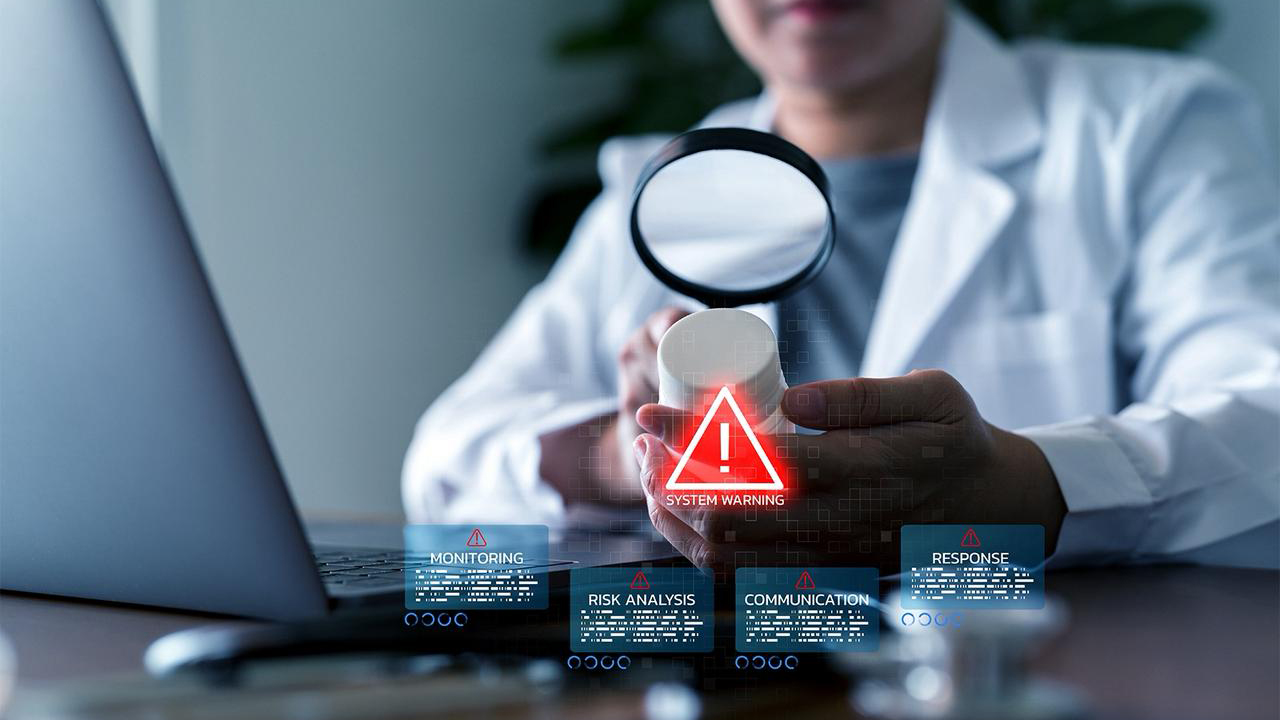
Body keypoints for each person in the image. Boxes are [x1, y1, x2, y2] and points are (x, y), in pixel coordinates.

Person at [403, 0, 1279, 570]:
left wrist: (1042, 485)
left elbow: (1265, 410)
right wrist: (628, 457)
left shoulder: (1153, 127)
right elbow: (445, 462)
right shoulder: (665, 178)